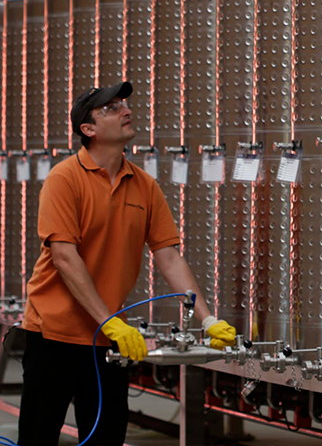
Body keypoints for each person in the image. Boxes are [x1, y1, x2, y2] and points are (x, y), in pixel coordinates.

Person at [17, 81, 238, 446]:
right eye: (111, 108)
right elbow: (64, 257)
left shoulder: (144, 185)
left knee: (106, 439)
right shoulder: (64, 179)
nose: (126, 111)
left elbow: (169, 256)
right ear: (88, 129)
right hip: (54, 336)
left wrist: (207, 319)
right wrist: (109, 321)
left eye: (123, 104)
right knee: (38, 439)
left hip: (109, 340)